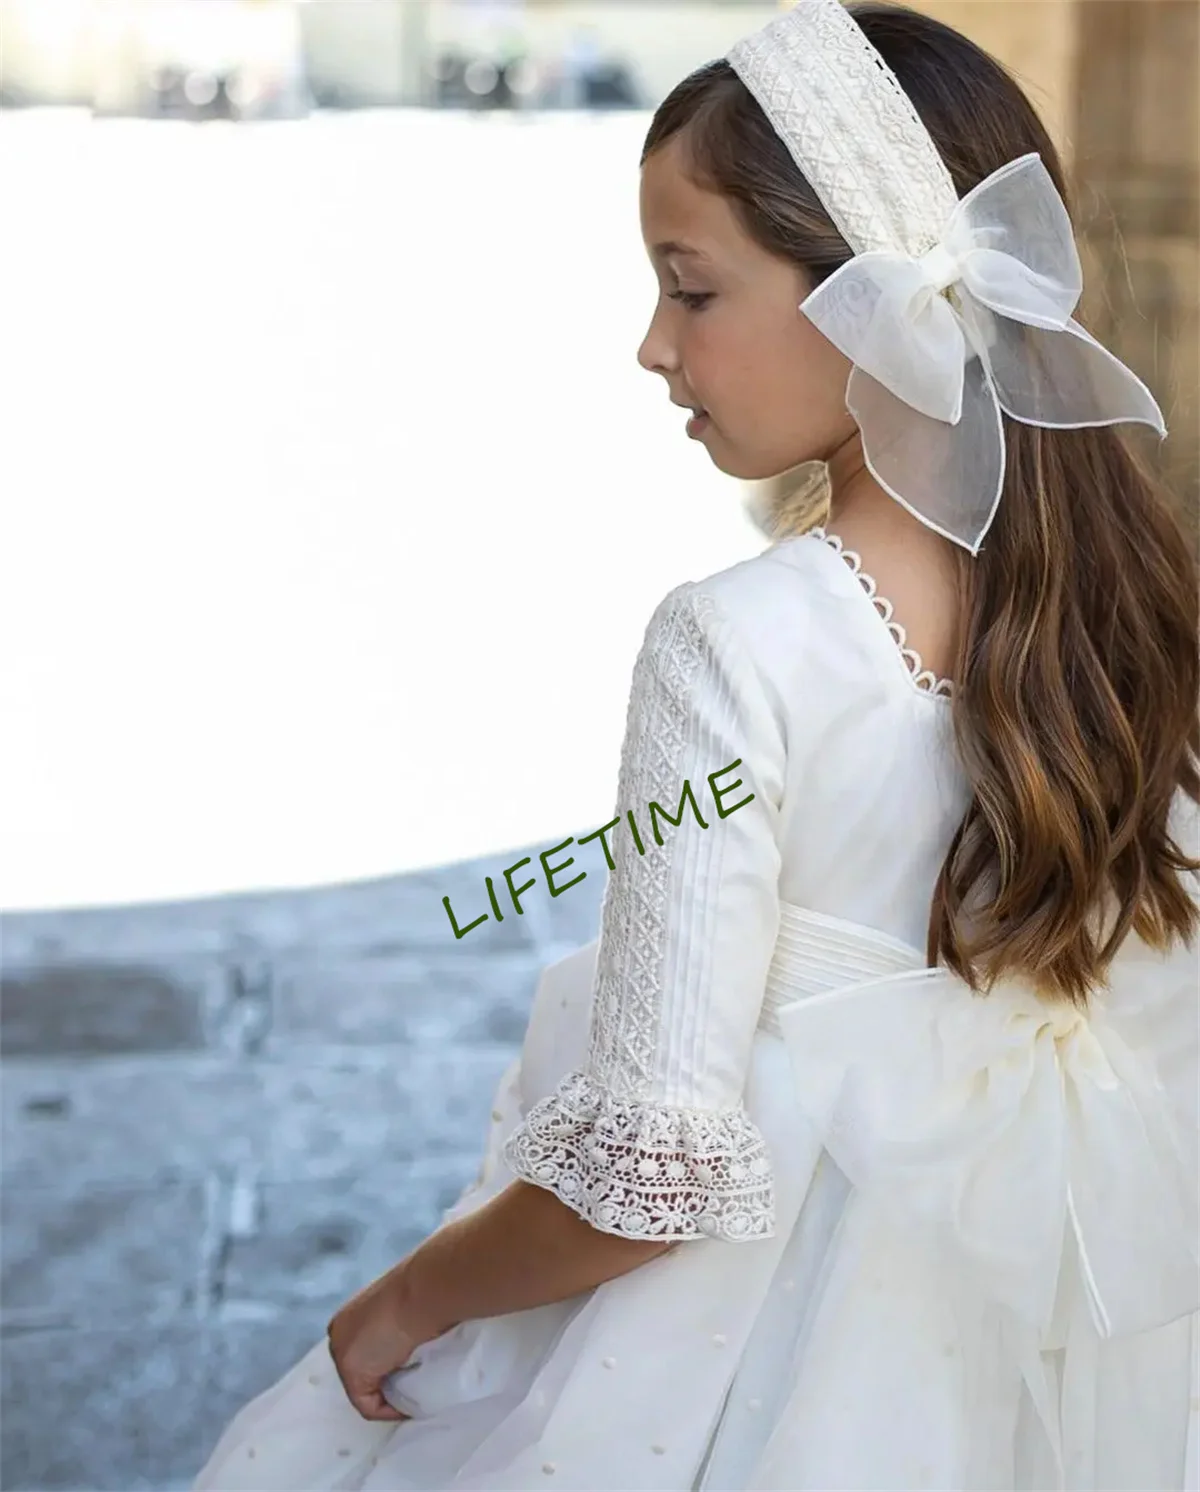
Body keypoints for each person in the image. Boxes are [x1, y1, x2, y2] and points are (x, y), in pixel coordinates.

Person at [190, 1, 1200, 1487]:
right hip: (1035, 1346)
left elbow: (649, 1175)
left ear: (867, 300)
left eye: (692, 288)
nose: (654, 346)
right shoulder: (1134, 603)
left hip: (743, 1365)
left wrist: (404, 1297)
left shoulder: (732, 645)